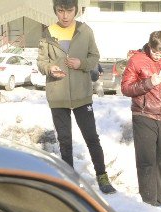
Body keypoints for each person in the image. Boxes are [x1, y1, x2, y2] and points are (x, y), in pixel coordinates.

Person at [37, 0, 115, 194]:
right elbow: (41, 62)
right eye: (60, 11)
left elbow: (94, 57)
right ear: (55, 10)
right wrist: (49, 68)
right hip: (58, 93)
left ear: (76, 11)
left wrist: (81, 63)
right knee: (64, 139)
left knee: (91, 137)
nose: (65, 15)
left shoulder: (85, 31)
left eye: (69, 11)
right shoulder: (47, 33)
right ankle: (69, 180)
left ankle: (102, 176)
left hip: (82, 94)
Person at [120, 31, 161, 210]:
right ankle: (148, 203)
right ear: (149, 47)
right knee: (146, 161)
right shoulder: (137, 60)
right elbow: (126, 88)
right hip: (144, 115)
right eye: (156, 53)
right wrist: (150, 82)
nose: (159, 56)